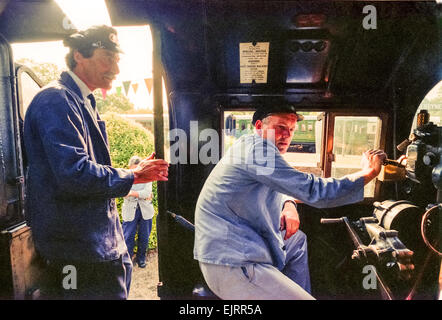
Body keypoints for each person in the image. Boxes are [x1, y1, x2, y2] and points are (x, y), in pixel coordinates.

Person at [23, 25, 169, 300]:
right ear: (79, 55)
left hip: (93, 245)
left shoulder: (81, 100)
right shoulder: (56, 99)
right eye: (107, 57)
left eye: (117, 59)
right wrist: (132, 175)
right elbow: (73, 173)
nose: (115, 68)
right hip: (77, 251)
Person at [194, 104, 387, 300]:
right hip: (233, 261)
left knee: (297, 240)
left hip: (240, 243)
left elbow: (282, 184)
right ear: (259, 126)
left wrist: (289, 204)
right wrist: (368, 173)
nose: (287, 135)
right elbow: (315, 191)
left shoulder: (250, 146)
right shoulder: (258, 151)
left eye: (292, 130)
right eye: (281, 128)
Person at [122, 156, 155, 268]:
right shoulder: (125, 175)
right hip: (130, 211)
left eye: (138, 169)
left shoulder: (147, 176)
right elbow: (123, 192)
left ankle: (141, 259)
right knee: (128, 237)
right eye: (133, 169)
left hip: (145, 211)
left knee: (144, 237)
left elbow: (147, 193)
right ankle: (127, 260)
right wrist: (140, 194)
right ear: (129, 167)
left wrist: (131, 193)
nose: (136, 172)